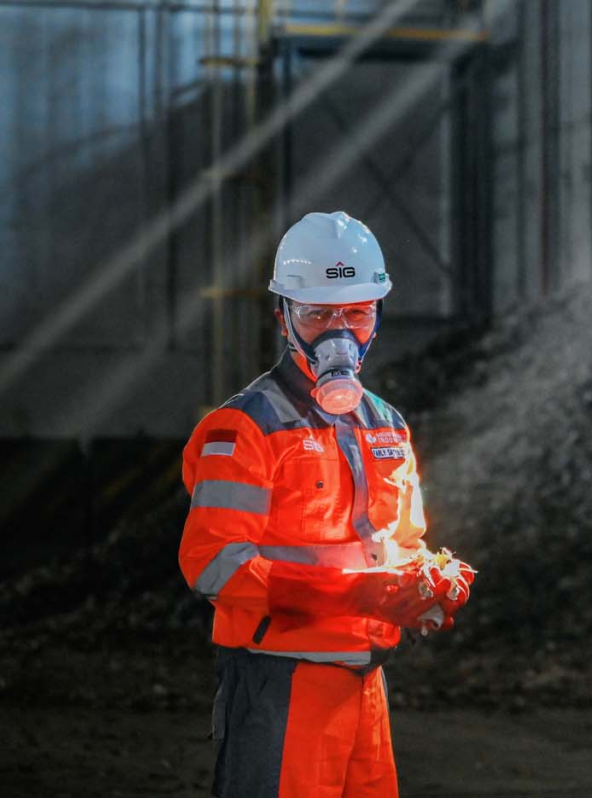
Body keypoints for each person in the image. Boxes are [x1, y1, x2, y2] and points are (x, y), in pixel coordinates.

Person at [178, 211, 472, 797]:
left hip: (365, 683)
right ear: (283, 317)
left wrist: (427, 582)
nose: (340, 333)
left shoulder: (386, 426)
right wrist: (352, 595)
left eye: (356, 313)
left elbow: (400, 542)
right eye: (317, 315)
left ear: (377, 316)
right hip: (281, 684)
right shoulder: (243, 429)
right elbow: (213, 563)